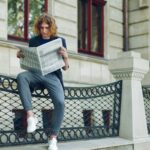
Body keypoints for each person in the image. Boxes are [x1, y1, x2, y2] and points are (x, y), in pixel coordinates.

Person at [16, 13, 69, 150]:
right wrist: (22, 56)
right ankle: (31, 116)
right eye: (41, 28)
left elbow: (65, 68)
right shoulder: (33, 41)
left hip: (53, 76)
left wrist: (66, 57)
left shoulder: (60, 40)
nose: (44, 30)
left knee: (60, 102)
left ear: (52, 28)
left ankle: (53, 138)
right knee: (21, 76)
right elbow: (29, 60)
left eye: (47, 27)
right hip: (36, 73)